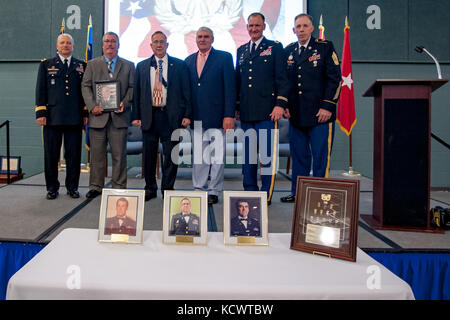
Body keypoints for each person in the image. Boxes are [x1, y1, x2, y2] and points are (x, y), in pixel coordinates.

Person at [281, 14, 342, 203]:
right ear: (293, 30)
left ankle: (319, 195)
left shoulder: (324, 48)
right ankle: (298, 192)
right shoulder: (288, 51)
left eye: (305, 26)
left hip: (320, 115)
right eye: (298, 26)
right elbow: (285, 82)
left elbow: (335, 79)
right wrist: (285, 106)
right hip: (296, 115)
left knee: (320, 158)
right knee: (299, 157)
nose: (301, 29)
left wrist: (327, 107)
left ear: (312, 28)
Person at [235, 12, 289, 205]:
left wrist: (280, 105)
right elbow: (239, 82)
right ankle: (250, 191)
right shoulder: (241, 51)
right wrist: (237, 107)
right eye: (250, 26)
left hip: (268, 113)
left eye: (257, 25)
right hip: (247, 114)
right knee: (248, 157)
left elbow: (283, 79)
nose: (253, 29)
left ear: (264, 26)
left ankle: (265, 194)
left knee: (267, 158)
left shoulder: (274, 48)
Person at [132, 31, 191, 201]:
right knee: (149, 155)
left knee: (171, 156)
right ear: (150, 45)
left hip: (171, 117)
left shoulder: (179, 65)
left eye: (162, 42)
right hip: (149, 116)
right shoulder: (142, 66)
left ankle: (168, 188)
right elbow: (137, 93)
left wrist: (187, 114)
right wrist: (136, 115)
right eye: (155, 42)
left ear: (167, 45)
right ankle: (150, 188)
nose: (159, 45)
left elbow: (186, 92)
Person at [184, 27, 236, 205]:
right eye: (199, 36)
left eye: (206, 36)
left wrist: (229, 114)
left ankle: (214, 190)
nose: (203, 39)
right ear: (195, 39)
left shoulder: (224, 58)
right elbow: (187, 92)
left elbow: (230, 88)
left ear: (212, 39)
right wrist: (187, 115)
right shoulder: (188, 61)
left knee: (217, 157)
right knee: (199, 156)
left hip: (218, 116)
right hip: (196, 117)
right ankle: (198, 188)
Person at [82, 32, 135, 199]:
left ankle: (118, 186)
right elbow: (85, 86)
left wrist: (124, 103)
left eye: (113, 41)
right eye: (107, 41)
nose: (110, 44)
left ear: (118, 45)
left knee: (119, 155)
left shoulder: (128, 65)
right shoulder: (92, 64)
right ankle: (96, 186)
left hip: (119, 118)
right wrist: (92, 106)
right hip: (98, 117)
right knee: (97, 155)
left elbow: (133, 88)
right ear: (102, 45)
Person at [35, 33, 87, 200]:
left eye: (68, 43)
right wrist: (41, 112)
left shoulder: (81, 65)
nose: (65, 45)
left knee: (73, 155)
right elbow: (40, 90)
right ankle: (52, 188)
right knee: (51, 154)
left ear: (73, 46)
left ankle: (72, 187)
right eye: (62, 43)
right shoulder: (46, 65)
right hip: (52, 117)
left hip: (74, 116)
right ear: (57, 46)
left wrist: (85, 112)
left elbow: (84, 93)